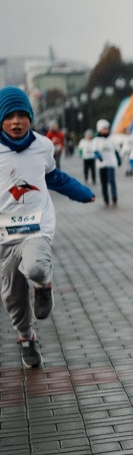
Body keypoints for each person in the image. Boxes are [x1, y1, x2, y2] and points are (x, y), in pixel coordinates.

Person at [0, 87, 95, 367]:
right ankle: (26, 338)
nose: (16, 122)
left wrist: (82, 192)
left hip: (37, 226)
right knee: (13, 296)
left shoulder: (43, 146)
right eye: (9, 117)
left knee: (36, 266)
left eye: (22, 116)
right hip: (5, 234)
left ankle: (44, 285)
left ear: (30, 117)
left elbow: (54, 177)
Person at [93, 119, 120, 207]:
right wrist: (98, 156)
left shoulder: (111, 139)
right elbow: (95, 150)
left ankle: (114, 198)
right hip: (102, 165)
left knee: (111, 181)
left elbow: (116, 149)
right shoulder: (96, 140)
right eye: (104, 129)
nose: (106, 130)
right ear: (99, 129)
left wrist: (118, 159)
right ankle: (106, 199)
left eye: (107, 129)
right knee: (104, 182)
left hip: (111, 163)